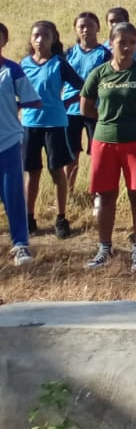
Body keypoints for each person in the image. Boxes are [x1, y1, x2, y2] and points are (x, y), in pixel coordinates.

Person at [79, 22, 136, 270]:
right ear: (111, 44)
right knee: (106, 195)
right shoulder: (99, 73)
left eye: (133, 42)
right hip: (104, 141)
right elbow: (85, 107)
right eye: (123, 42)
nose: (128, 47)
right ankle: (104, 249)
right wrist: (107, 120)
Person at [20, 20, 80, 241]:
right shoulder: (24, 64)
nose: (39, 40)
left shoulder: (59, 63)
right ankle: (28, 217)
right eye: (36, 35)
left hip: (55, 124)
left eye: (45, 36)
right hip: (29, 125)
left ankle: (61, 218)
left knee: (57, 172)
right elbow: (16, 91)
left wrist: (66, 102)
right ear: (30, 39)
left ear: (53, 39)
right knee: (32, 172)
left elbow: (83, 86)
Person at [0, 24, 40, 265]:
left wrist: (14, 104)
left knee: (13, 195)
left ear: (4, 40)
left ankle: (20, 245)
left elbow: (33, 101)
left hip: (8, 142)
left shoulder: (12, 70)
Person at [64, 12, 110, 194]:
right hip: (70, 111)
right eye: (81, 26)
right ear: (75, 29)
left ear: (98, 28)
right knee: (71, 154)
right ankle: (68, 191)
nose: (85, 30)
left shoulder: (104, 54)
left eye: (90, 26)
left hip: (95, 110)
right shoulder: (68, 53)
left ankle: (98, 192)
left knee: (98, 153)